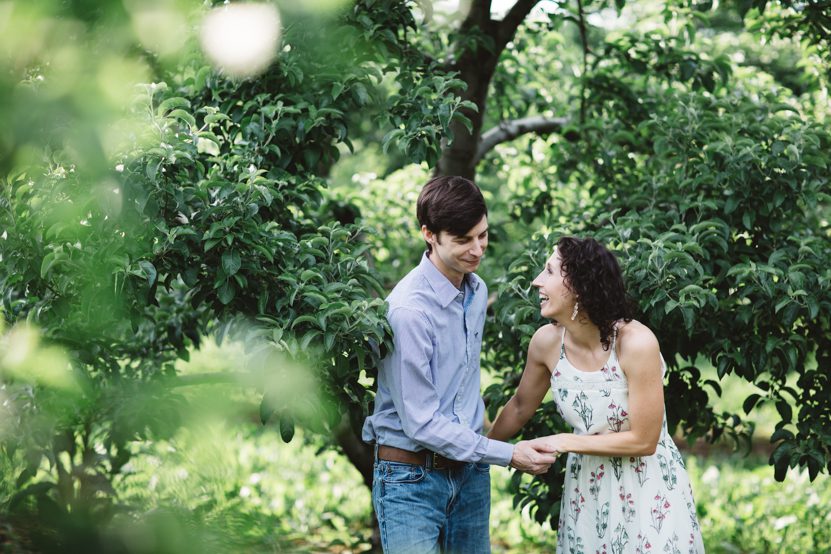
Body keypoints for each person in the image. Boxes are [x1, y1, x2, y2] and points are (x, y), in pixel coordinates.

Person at [362, 176, 557, 554]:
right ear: (429, 235)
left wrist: (481, 454)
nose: (477, 248)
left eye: (483, 235)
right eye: (464, 240)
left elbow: (462, 387)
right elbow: (421, 423)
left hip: (469, 474)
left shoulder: (476, 290)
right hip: (411, 478)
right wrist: (508, 454)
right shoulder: (408, 312)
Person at [488, 236, 705, 553]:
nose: (537, 281)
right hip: (587, 492)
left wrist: (564, 441)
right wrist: (479, 453)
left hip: (648, 489)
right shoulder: (546, 343)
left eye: (549, 271)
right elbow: (520, 407)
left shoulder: (635, 343)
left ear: (578, 286)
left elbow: (644, 441)